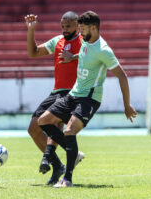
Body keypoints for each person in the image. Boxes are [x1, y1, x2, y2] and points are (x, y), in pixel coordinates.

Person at [38, 11, 137, 188]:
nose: (80, 33)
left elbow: (122, 76)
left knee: (69, 131)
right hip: (74, 94)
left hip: (89, 98)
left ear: (93, 28)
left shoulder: (104, 50)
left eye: (82, 29)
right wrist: (73, 57)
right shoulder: (85, 40)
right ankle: (73, 153)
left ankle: (67, 179)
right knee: (43, 121)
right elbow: (85, 54)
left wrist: (127, 105)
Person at [25, 11, 83, 185]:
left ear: (77, 25)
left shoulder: (85, 42)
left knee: (53, 123)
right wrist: (31, 31)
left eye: (68, 26)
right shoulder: (57, 40)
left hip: (74, 92)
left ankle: (63, 155)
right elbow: (33, 53)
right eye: (62, 26)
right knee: (33, 128)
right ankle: (57, 165)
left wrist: (74, 57)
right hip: (56, 91)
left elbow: (94, 55)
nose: (65, 29)